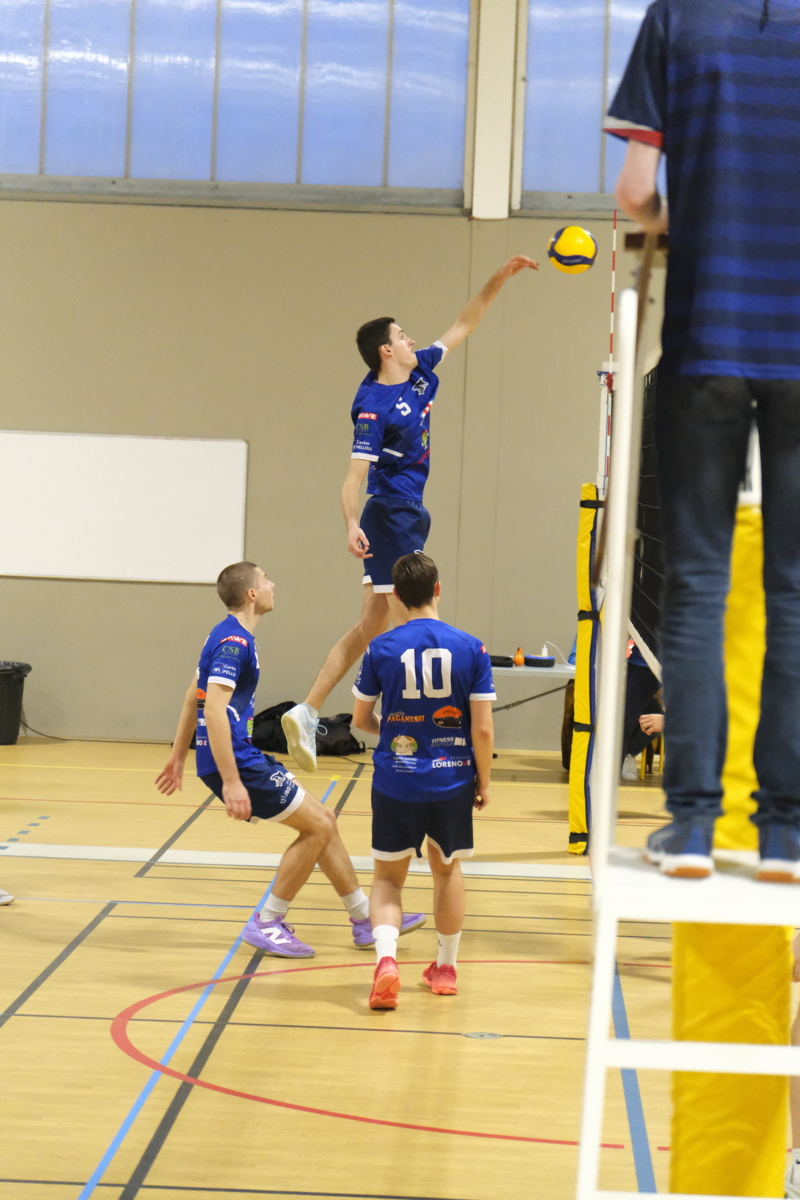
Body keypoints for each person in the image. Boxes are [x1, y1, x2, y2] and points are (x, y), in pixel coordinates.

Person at [605, 0, 800, 880]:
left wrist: (687, 217)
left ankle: (690, 827)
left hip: (710, 336)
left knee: (695, 592)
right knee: (794, 596)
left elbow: (635, 193)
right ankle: (785, 835)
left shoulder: (678, 17)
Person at [281, 256, 537, 773]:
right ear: (385, 350)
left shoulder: (419, 371)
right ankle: (420, 732)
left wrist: (500, 277)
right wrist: (351, 524)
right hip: (390, 515)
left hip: (409, 513)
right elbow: (353, 477)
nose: (411, 339)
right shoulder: (373, 407)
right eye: (402, 336)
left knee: (371, 626)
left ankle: (308, 711)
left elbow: (465, 322)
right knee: (417, 627)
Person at [155, 561, 424, 957]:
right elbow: (212, 709)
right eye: (265, 580)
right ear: (252, 594)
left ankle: (364, 918)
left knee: (324, 821)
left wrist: (178, 757)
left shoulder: (224, 633)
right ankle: (267, 921)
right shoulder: (234, 643)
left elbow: (190, 696)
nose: (272, 584)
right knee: (318, 828)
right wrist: (231, 781)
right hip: (237, 762)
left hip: (237, 757)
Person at [351, 553, 495, 1010]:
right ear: (437, 589)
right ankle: (446, 969)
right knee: (446, 870)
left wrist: (394, 734)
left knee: (387, 879)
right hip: (452, 779)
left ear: (395, 595)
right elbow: (482, 729)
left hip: (396, 781)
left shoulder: (381, 648)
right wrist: (483, 780)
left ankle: (386, 961)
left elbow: (360, 720)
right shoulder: (472, 648)